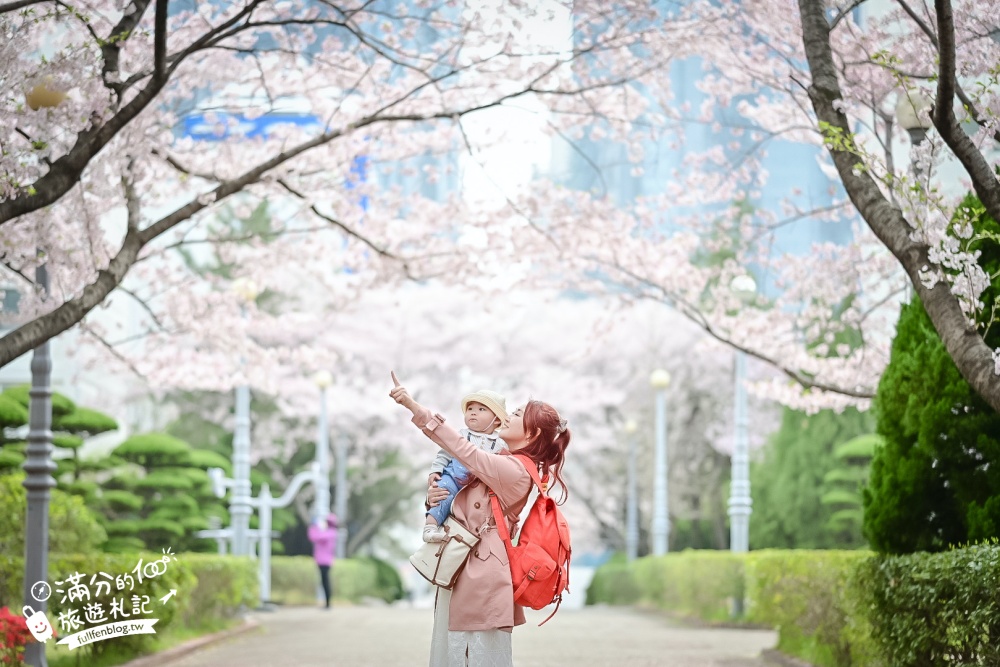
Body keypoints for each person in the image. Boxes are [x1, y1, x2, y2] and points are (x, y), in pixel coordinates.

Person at [389, 371, 570, 667]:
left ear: (532, 434)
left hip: (481, 572)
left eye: (518, 413)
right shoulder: (502, 458)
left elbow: (463, 450)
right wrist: (435, 498)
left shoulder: (515, 469)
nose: (509, 414)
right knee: (453, 650)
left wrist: (413, 406)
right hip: (462, 562)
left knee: (473, 652)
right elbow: (465, 489)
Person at [423, 389, 509, 543]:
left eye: (481, 409)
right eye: (470, 409)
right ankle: (430, 527)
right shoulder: (461, 434)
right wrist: (435, 471)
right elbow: (444, 453)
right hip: (454, 475)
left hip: (476, 485)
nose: (473, 413)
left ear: (496, 420)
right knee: (442, 493)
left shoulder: (500, 443)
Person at [307, 513, 338, 609]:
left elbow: (314, 536)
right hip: (323, 561)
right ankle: (327, 603)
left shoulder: (330, 533)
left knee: (325, 582)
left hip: (324, 561)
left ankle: (328, 604)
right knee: (324, 582)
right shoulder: (330, 532)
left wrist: (313, 526)